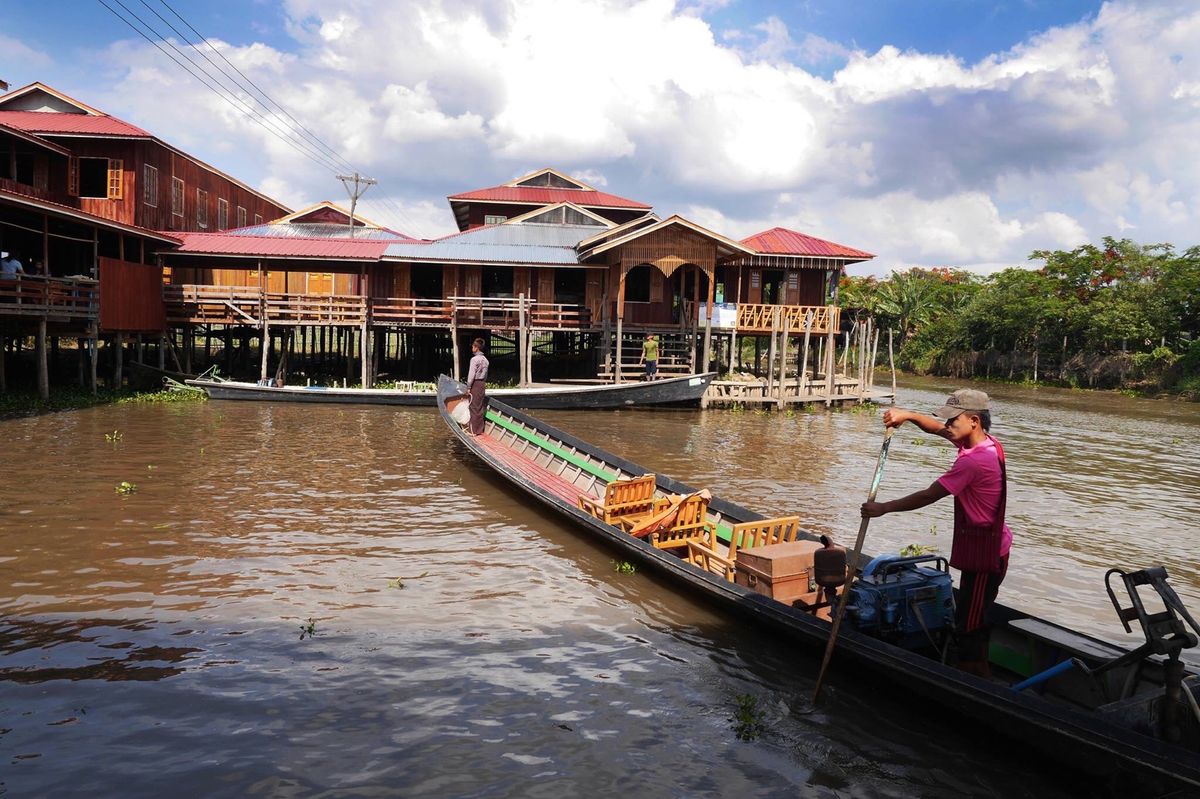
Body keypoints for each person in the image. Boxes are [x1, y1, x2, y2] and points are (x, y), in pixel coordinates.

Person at [860, 389, 1010, 678]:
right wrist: (908, 415)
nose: (948, 425)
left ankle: (975, 680)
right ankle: (973, 668)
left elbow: (929, 495)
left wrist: (884, 508)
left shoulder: (973, 461)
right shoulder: (986, 443)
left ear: (974, 421)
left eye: (954, 420)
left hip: (986, 556)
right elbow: (938, 430)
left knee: (969, 626)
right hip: (991, 546)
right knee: (971, 616)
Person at [466, 337, 489, 436]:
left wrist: (468, 387)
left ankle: (473, 431)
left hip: (475, 383)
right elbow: (486, 375)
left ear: (476, 348)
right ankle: (479, 430)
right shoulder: (486, 360)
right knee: (479, 407)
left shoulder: (474, 360)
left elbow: (471, 375)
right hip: (482, 384)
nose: (472, 348)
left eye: (473, 346)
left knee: (473, 406)